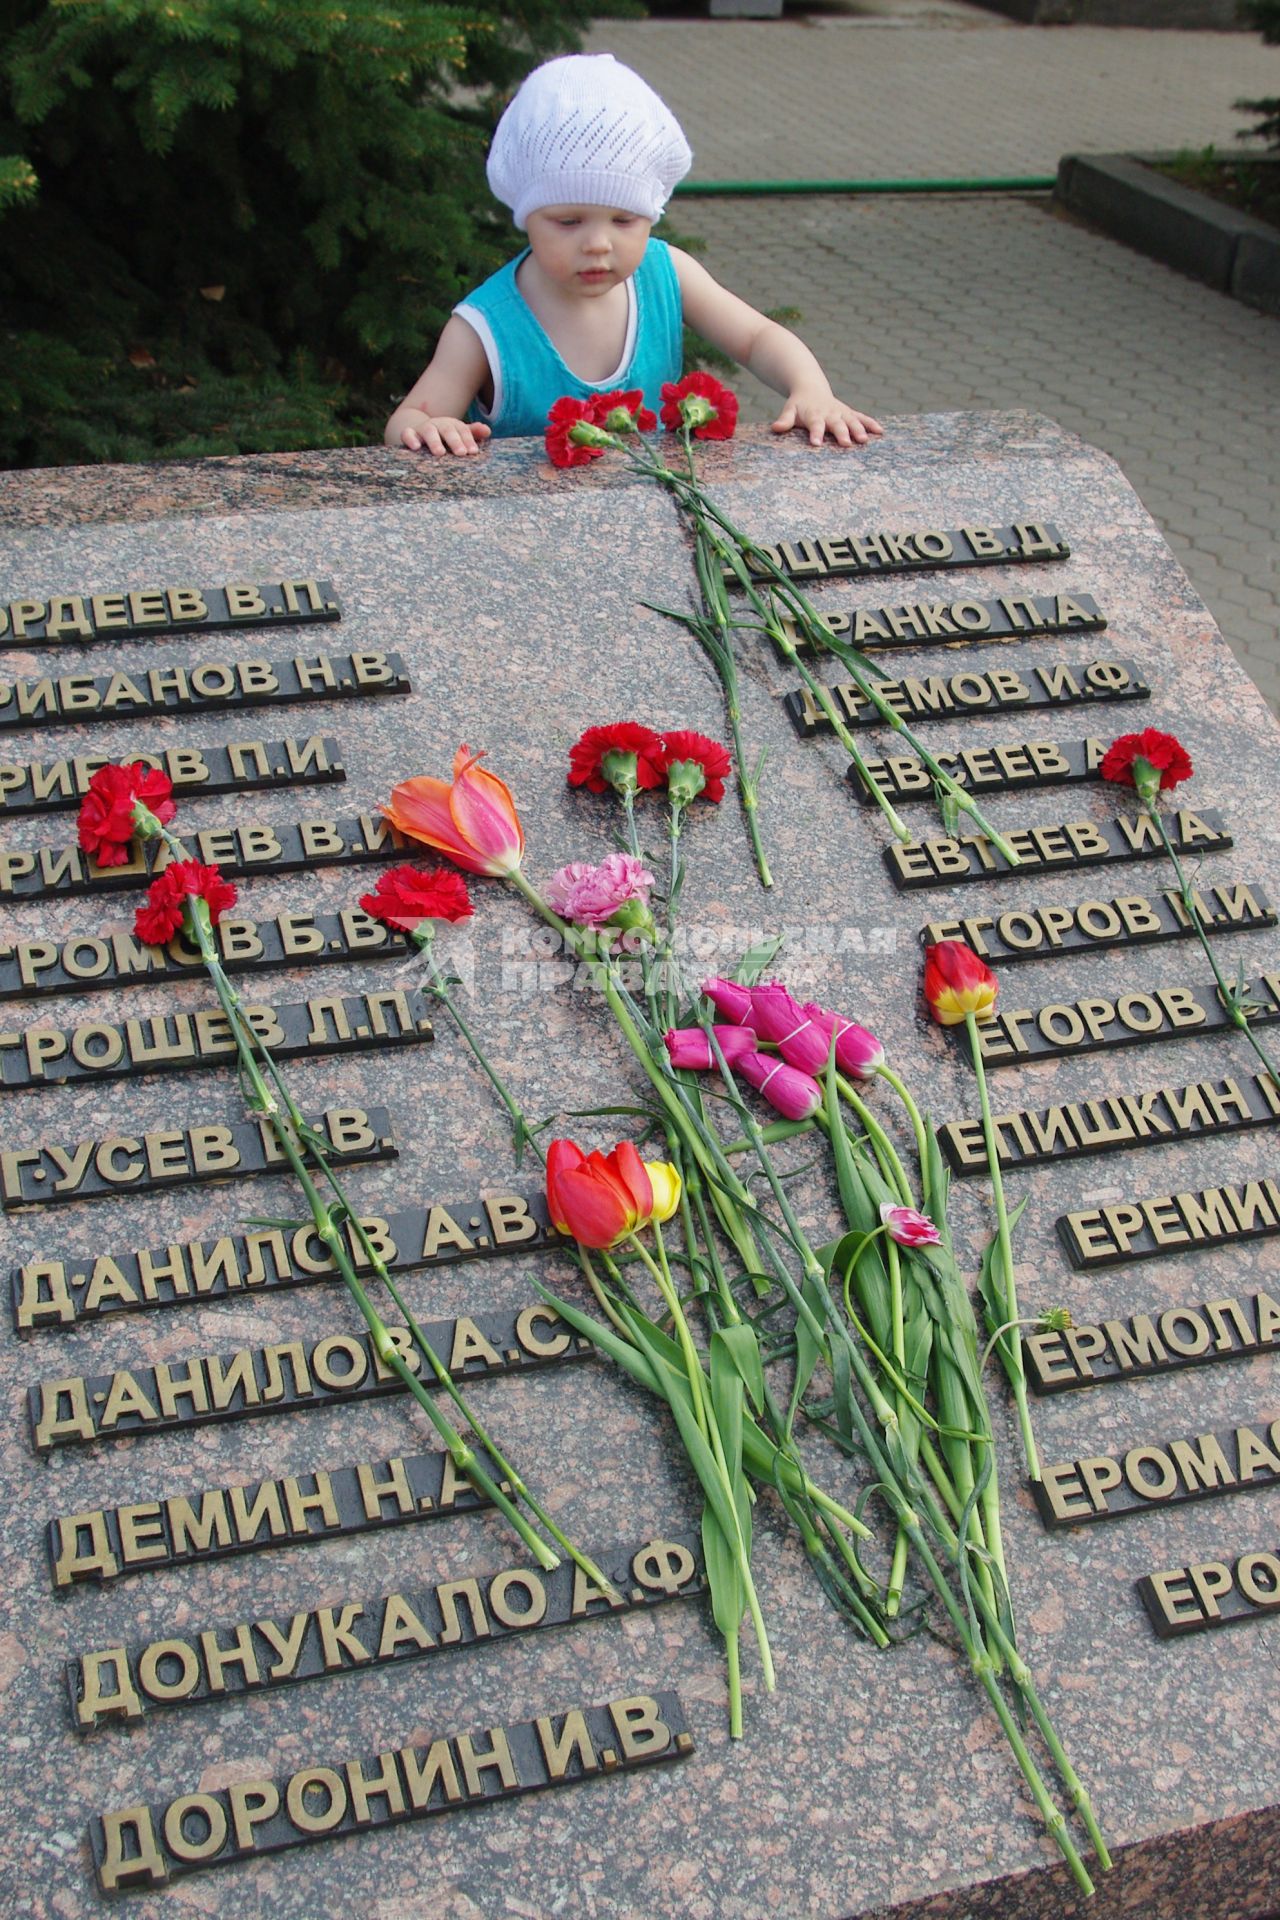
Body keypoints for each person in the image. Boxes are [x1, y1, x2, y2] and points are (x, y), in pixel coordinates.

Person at [385, 53, 882, 457]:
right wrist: (427, 431)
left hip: (653, 534)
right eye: (568, 221)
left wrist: (811, 388)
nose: (598, 242)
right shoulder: (483, 328)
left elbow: (756, 337)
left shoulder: (666, 274)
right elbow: (407, 421)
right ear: (526, 215)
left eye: (624, 220)